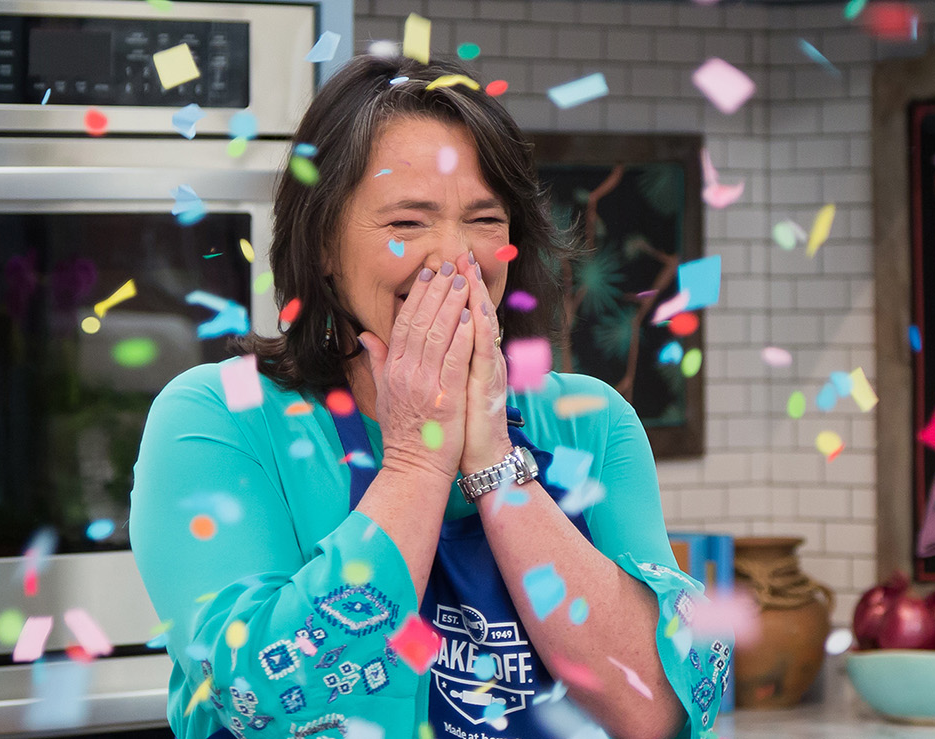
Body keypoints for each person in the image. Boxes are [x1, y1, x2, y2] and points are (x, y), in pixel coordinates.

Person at [130, 54, 727, 739]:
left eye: (483, 219)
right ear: (324, 243)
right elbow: (259, 700)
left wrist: (492, 457)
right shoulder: (218, 416)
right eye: (407, 223)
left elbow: (657, 706)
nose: (454, 258)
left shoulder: (591, 423)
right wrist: (417, 459)